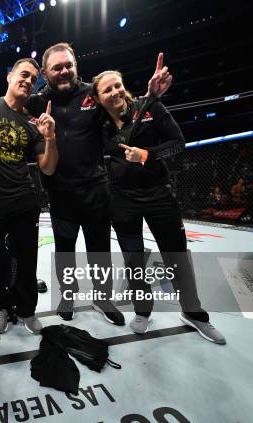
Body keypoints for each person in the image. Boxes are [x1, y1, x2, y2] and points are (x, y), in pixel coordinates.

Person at [25, 43, 171, 323]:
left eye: (69, 64)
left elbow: (125, 109)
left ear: (76, 65)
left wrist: (150, 96)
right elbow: (8, 104)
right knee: (65, 249)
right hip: (60, 192)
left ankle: (102, 299)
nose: (64, 71)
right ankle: (67, 295)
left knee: (99, 249)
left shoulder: (92, 94)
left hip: (95, 189)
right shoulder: (36, 102)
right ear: (45, 72)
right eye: (57, 67)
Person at [93, 70, 226, 344]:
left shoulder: (150, 107)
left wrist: (147, 155)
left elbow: (179, 143)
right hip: (122, 199)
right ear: (98, 98)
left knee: (176, 255)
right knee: (133, 258)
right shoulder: (99, 124)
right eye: (107, 90)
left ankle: (194, 313)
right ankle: (143, 309)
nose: (115, 91)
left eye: (118, 85)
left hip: (158, 195)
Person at [0, 58, 58, 335]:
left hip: (24, 199)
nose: (28, 80)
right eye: (24, 74)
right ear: (10, 77)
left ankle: (26, 309)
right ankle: (0, 307)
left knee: (25, 259)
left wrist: (50, 138)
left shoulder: (33, 123)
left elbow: (47, 166)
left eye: (34, 79)